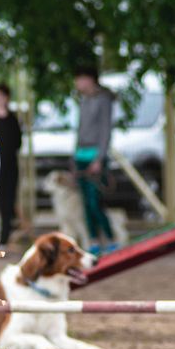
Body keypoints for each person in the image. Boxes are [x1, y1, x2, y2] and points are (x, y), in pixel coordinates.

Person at [73, 66, 118, 254]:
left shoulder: (103, 99)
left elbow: (105, 130)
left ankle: (111, 239)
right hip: (81, 155)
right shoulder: (83, 99)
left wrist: (99, 158)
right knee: (85, 203)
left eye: (79, 79)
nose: (77, 83)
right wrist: (74, 156)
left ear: (90, 79)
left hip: (94, 157)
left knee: (95, 202)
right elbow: (80, 129)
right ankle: (94, 241)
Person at [0, 83, 24, 246]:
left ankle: (4, 240)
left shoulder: (13, 119)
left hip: (10, 167)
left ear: (6, 98)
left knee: (7, 203)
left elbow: (18, 143)